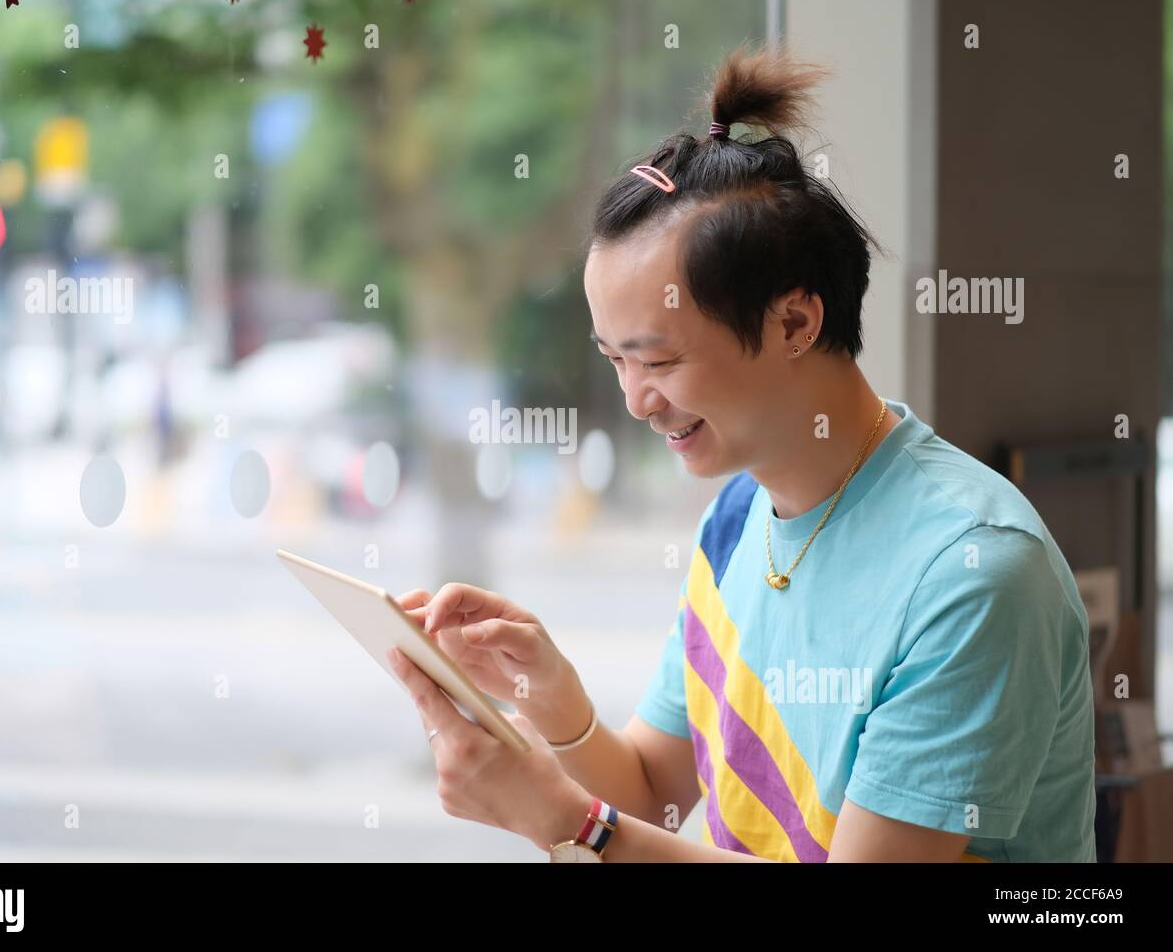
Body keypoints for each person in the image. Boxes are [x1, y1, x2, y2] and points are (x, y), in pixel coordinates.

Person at [386, 47, 1096, 862]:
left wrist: (571, 827)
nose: (636, 401)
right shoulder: (739, 516)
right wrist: (551, 699)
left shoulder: (971, 574)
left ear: (795, 323)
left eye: (658, 361)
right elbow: (655, 792)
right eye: (614, 360)